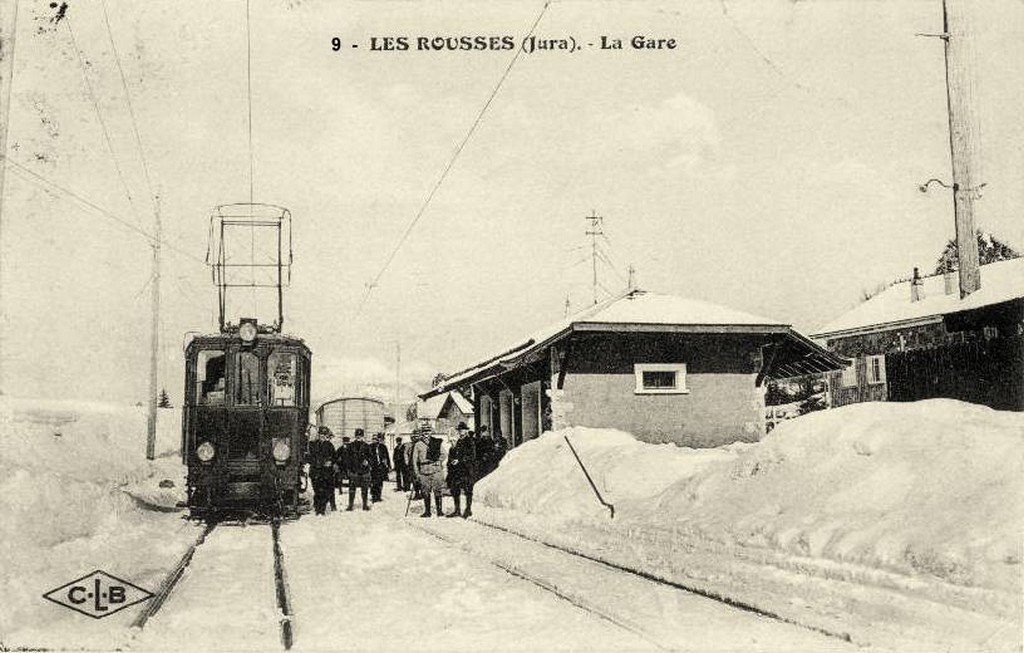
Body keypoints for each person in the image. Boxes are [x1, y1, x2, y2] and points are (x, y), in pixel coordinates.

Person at [411, 426, 446, 517]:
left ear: (431, 432)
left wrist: (439, 461)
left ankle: (439, 511)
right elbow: (414, 461)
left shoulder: (436, 442)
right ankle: (427, 512)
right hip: (424, 470)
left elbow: (444, 454)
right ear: (422, 433)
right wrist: (416, 473)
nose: (426, 433)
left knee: (438, 490)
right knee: (425, 491)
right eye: (424, 432)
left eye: (428, 431)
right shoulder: (418, 444)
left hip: (436, 470)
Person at [446, 422, 477, 518]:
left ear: (466, 431)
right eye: (459, 430)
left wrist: (459, 460)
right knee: (455, 490)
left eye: (462, 430)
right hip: (458, 471)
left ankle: (468, 509)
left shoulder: (469, 441)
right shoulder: (459, 441)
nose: (461, 431)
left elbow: (472, 456)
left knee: (468, 491)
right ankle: (457, 510)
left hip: (467, 470)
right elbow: (455, 454)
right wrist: (452, 461)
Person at [341, 429, 372, 511]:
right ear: (355, 436)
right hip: (353, 471)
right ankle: (350, 505)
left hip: (364, 471)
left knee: (364, 489)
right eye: (357, 435)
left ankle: (365, 505)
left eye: (360, 435)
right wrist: (349, 469)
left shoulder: (366, 446)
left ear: (363, 436)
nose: (359, 437)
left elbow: (371, 457)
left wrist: (367, 461)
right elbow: (347, 458)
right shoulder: (350, 446)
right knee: (352, 489)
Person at [307, 427, 336, 515]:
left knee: (324, 491)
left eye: (324, 435)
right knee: (317, 491)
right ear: (318, 435)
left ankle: (321, 510)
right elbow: (309, 457)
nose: (322, 437)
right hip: (315, 471)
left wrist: (330, 462)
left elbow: (334, 457)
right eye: (321, 435)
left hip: (326, 472)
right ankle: (317, 508)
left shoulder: (329, 445)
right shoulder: (312, 444)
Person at [369, 433, 391, 502]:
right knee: (373, 482)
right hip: (373, 467)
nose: (375, 440)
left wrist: (388, 465)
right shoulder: (370, 447)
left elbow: (387, 456)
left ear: (379, 439)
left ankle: (378, 496)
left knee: (380, 482)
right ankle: (374, 496)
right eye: (373, 439)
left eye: (376, 439)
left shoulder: (383, 447)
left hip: (381, 467)